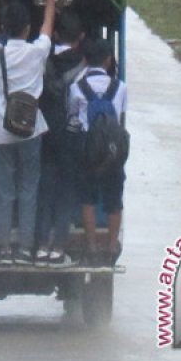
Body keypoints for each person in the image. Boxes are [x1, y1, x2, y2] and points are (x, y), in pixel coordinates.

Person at [0, 0, 55, 266]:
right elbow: (47, 30)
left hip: (1, 133)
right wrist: (50, 1)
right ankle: (25, 248)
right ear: (28, 28)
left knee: (3, 190)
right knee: (28, 188)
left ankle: (3, 248)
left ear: (4, 28)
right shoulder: (37, 52)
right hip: (32, 130)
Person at [66, 38, 128, 266]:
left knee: (88, 199)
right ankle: (111, 247)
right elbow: (120, 119)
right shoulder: (119, 87)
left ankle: (91, 246)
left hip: (88, 150)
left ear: (85, 60)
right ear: (109, 60)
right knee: (114, 200)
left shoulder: (76, 88)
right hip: (113, 152)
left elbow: (72, 118)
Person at [36, 11, 86, 268]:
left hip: (45, 133)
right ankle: (59, 246)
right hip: (71, 137)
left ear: (54, 35)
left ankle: (42, 243)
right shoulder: (87, 65)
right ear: (82, 37)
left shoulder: (43, 59)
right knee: (66, 191)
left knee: (44, 190)